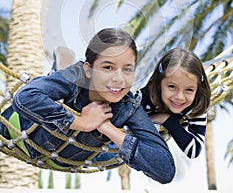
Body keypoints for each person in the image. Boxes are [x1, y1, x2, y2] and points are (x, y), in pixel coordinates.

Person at [0, 28, 175, 183]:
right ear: (89, 69)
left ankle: (56, 75)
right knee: (53, 88)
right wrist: (81, 122)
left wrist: (108, 128)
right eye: (108, 67)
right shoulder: (76, 76)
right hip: (17, 128)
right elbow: (25, 97)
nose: (119, 79)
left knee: (117, 150)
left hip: (68, 157)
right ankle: (55, 75)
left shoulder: (129, 106)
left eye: (127, 69)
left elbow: (165, 171)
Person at [141, 48, 211, 159]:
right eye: (172, 87)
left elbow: (194, 150)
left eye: (189, 90)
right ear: (159, 83)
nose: (179, 97)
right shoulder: (144, 99)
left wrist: (166, 119)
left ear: (198, 89)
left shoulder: (196, 106)